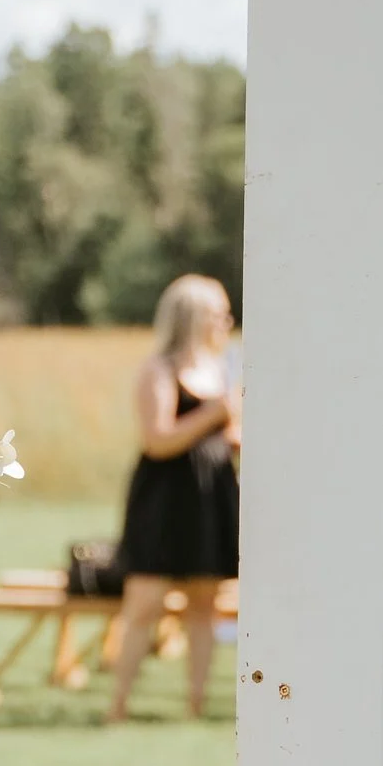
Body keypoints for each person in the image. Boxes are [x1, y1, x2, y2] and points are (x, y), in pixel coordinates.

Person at [106, 274, 240, 724]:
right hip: (165, 502)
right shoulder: (159, 369)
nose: (227, 321)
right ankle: (118, 705)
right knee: (144, 605)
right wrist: (215, 413)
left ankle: (195, 705)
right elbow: (157, 440)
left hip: (211, 501)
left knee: (205, 606)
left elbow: (227, 434)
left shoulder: (222, 371)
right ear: (193, 317)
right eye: (218, 313)